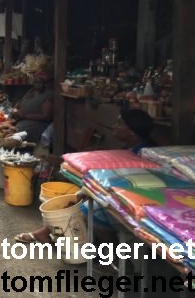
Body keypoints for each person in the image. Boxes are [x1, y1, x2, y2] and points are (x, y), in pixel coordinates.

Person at [13, 108, 155, 245]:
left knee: (86, 205)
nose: (114, 126)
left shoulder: (143, 154)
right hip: (121, 194)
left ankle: (113, 253)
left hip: (135, 204)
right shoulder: (130, 148)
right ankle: (46, 232)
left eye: (120, 123)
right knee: (80, 195)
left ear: (132, 132)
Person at [10, 71, 54, 143]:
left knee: (15, 133)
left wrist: (24, 116)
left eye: (39, 82)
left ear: (45, 83)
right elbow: (19, 103)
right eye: (35, 82)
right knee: (6, 128)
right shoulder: (32, 91)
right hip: (21, 119)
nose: (36, 84)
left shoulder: (48, 94)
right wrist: (15, 110)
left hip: (36, 123)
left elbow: (46, 116)